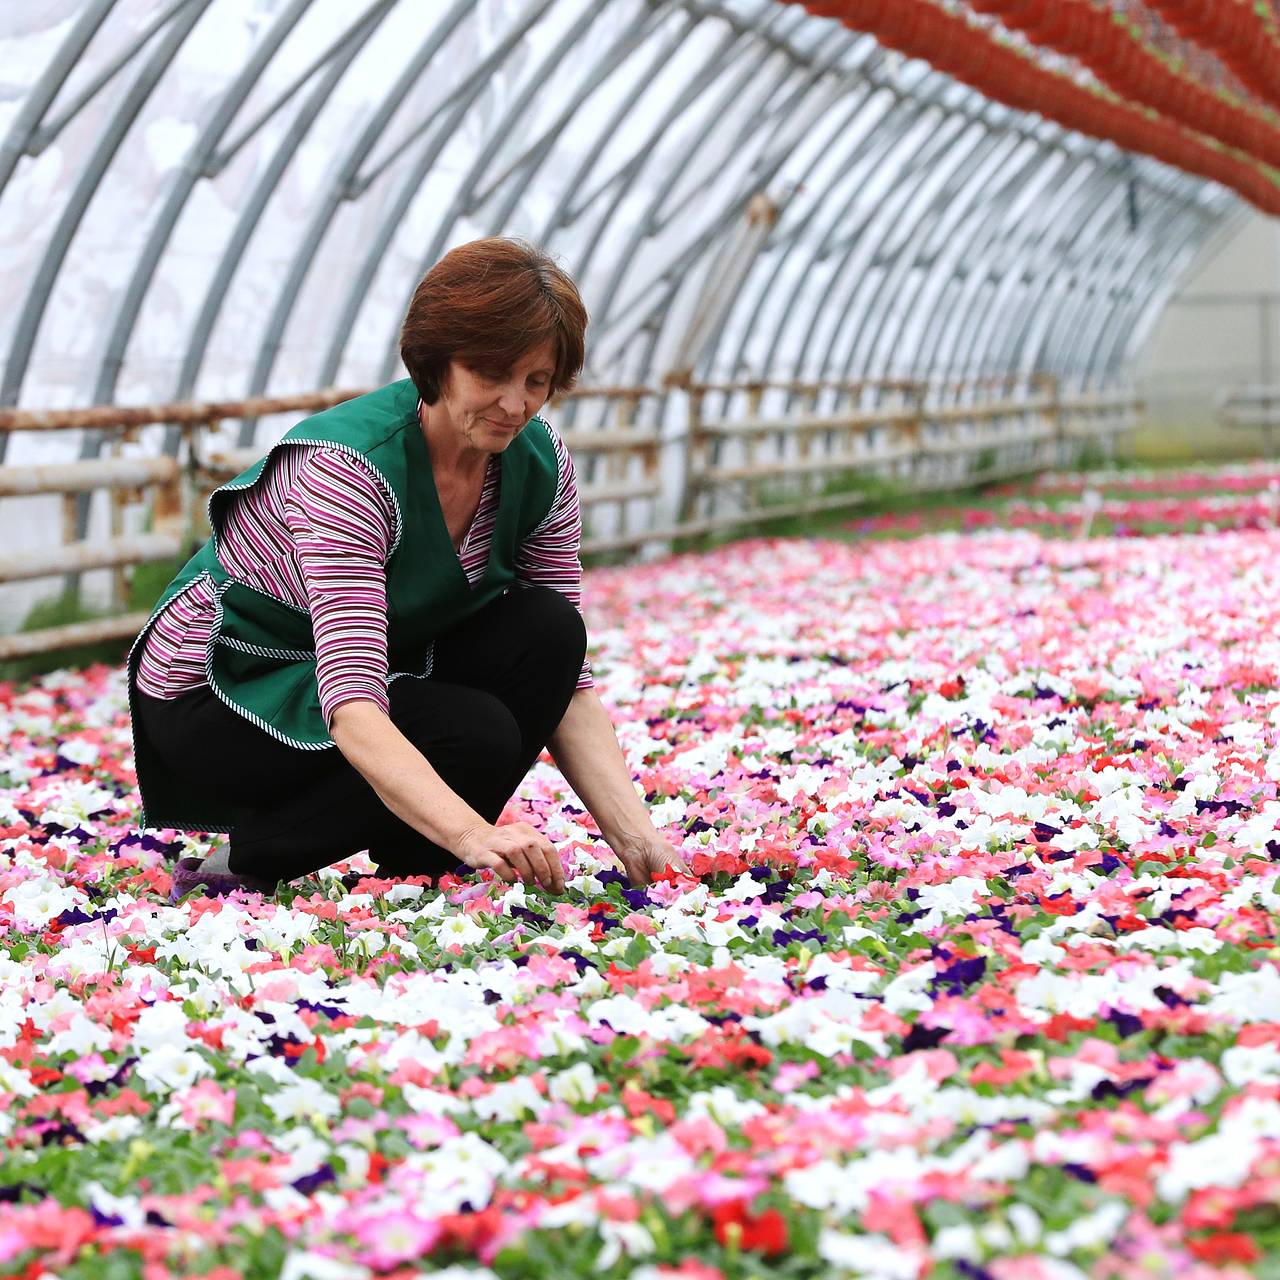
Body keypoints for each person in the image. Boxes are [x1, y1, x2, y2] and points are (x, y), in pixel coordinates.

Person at [128, 237, 686, 901]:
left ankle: (416, 859)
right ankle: (253, 854)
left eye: (536, 381)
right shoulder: (349, 471)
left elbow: (566, 679)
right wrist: (477, 834)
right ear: (436, 363)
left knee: (550, 631)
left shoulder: (539, 463)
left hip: (350, 667)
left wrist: (634, 835)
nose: (515, 404)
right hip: (223, 684)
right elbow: (354, 701)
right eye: (491, 374)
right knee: (472, 735)